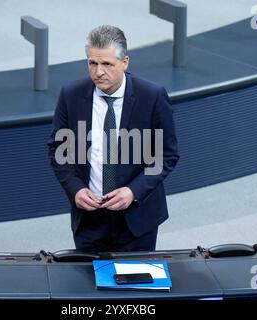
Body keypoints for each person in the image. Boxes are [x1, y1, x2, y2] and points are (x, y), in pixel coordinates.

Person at [47, 25, 179, 252]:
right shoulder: (70, 95)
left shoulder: (152, 96)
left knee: (134, 285)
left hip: (137, 220)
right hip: (89, 220)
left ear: (125, 62)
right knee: (90, 284)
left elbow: (166, 156)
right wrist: (75, 189)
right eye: (92, 63)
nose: (98, 72)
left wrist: (133, 191)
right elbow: (59, 150)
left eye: (107, 64)